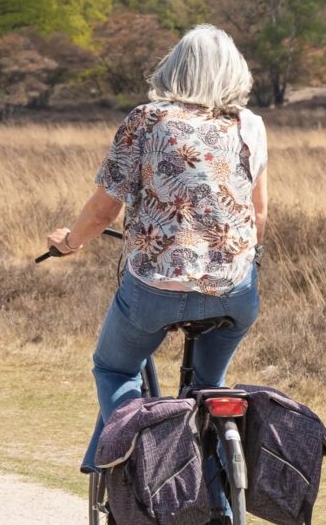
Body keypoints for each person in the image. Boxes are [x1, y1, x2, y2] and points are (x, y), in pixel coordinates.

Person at [49, 25, 269, 471]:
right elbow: (259, 215)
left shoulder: (148, 119)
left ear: (175, 67)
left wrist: (69, 243)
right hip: (235, 289)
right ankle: (219, 512)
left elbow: (102, 214)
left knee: (114, 368)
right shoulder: (250, 124)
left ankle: (153, 464)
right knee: (210, 386)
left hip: (156, 287)